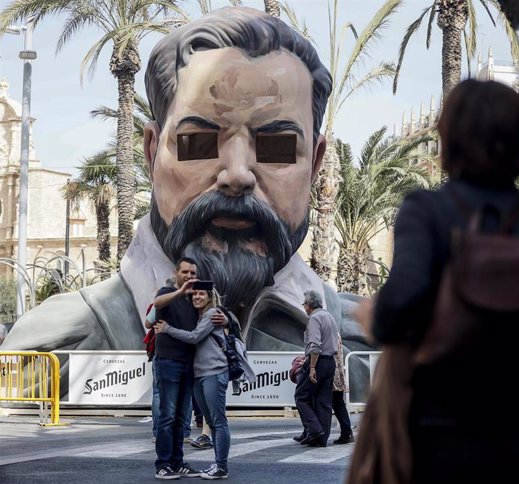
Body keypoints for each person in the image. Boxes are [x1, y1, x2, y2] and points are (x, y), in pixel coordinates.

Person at [0, 5, 373, 401]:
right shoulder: (52, 350)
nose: (237, 174)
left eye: (277, 146)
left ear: (315, 164)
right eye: (198, 142)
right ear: (150, 152)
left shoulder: (373, 348)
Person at [349, 79, 519, 484]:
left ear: (448, 138)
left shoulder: (427, 212)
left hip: (440, 432)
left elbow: (400, 306)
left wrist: (375, 317)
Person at [153, 257, 225, 480]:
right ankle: (163, 464)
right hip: (168, 361)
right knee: (167, 415)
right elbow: (155, 307)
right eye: (185, 272)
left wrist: (226, 320)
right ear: (176, 273)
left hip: (189, 364)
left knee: (181, 417)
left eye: (193, 273)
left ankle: (177, 461)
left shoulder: (195, 299)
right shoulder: (167, 292)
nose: (190, 277)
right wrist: (180, 291)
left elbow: (214, 313)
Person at [146, 278, 194, 445]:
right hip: (183, 353)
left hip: (162, 352)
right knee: (185, 395)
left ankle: (158, 432)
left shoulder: (161, 302)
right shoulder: (190, 302)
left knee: (159, 394)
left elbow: (148, 323)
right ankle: (185, 432)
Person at [294, 290, 340, 448]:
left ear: (309, 304)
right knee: (324, 401)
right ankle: (322, 437)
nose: (304, 307)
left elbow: (315, 345)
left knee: (301, 396)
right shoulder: (329, 316)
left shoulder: (314, 318)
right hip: (330, 362)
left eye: (304, 304)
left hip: (318, 361)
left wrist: (312, 366)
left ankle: (314, 430)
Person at [331, 334, 354, 444]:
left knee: (337, 403)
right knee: (338, 403)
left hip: (333, 372)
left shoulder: (331, 333)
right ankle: (347, 432)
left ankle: (346, 432)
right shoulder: (336, 333)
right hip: (337, 372)